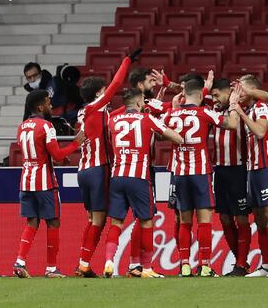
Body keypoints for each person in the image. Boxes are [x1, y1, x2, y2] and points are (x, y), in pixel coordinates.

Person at [103, 88, 184, 278]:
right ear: (140, 103)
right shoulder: (147, 119)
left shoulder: (112, 121)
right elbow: (178, 138)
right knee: (146, 221)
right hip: (139, 177)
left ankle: (108, 261)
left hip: (117, 176)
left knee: (116, 222)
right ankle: (147, 268)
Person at [164, 78, 240, 277]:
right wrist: (233, 104)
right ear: (200, 95)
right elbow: (232, 124)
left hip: (179, 174)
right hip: (200, 173)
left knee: (185, 221)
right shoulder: (205, 112)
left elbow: (159, 133)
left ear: (184, 95)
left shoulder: (171, 115)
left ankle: (185, 265)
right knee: (204, 220)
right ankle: (205, 266)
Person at [75, 50, 141, 278]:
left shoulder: (86, 112)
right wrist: (126, 61)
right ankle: (84, 263)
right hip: (98, 170)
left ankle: (83, 263)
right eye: (103, 92)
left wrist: (139, 104)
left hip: (83, 170)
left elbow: (113, 117)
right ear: (97, 93)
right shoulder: (96, 107)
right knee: (100, 220)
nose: (108, 94)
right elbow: (115, 84)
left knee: (93, 219)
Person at [13, 89, 85, 278]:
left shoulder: (21, 127)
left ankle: (20, 262)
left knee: (32, 222)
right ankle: (51, 268)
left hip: (26, 181)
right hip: (44, 183)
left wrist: (55, 156)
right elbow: (58, 155)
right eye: (47, 102)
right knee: (53, 222)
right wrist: (76, 143)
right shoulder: (46, 126)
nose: (50, 106)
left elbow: (38, 152)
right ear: (40, 106)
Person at [211, 78, 268, 276]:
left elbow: (266, 96)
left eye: (216, 94)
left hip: (238, 170)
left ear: (229, 92)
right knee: (225, 218)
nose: (214, 99)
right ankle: (241, 263)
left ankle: (241, 263)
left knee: (241, 218)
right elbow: (190, 91)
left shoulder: (242, 106)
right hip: (219, 170)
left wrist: (242, 95)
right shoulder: (215, 109)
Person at [230, 74, 268, 278]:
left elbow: (261, 133)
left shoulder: (261, 107)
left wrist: (240, 114)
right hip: (252, 169)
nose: (238, 92)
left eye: (241, 88)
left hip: (265, 167)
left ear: (251, 89)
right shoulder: (252, 109)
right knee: (260, 219)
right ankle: (267, 264)